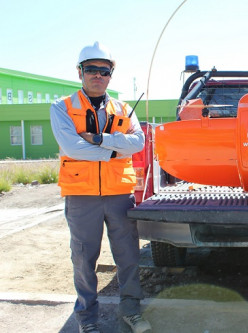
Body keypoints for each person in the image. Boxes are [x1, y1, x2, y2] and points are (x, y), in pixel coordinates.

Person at [50, 41, 152, 333]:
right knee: (84, 259)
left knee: (128, 256)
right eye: (92, 69)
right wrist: (115, 149)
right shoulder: (62, 108)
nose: (98, 75)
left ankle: (131, 311)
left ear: (111, 74)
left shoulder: (122, 109)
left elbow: (139, 142)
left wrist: (98, 139)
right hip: (81, 196)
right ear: (80, 72)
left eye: (104, 70)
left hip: (119, 195)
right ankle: (88, 320)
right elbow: (71, 147)